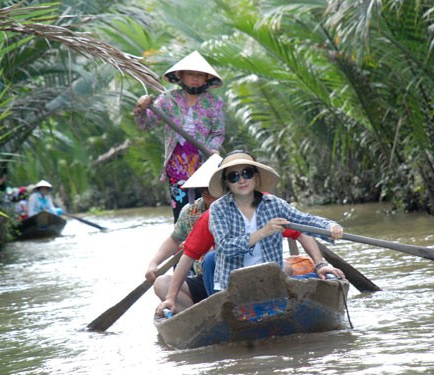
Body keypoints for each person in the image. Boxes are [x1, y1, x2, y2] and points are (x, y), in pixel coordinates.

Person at [208, 151, 344, 292]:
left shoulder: (273, 203)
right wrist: (263, 232)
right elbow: (226, 247)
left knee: (327, 282)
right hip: (234, 288)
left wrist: (330, 226)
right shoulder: (219, 208)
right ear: (226, 182)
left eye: (247, 173)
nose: (242, 180)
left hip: (271, 282)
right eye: (233, 176)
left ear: (255, 176)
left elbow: (305, 220)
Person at [133, 51, 225, 222]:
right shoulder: (168, 99)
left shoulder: (214, 102)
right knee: (182, 211)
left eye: (199, 75)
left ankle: (209, 243)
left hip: (203, 161)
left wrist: (213, 150)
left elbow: (218, 132)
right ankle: (184, 244)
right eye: (190, 74)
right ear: (180, 76)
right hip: (177, 163)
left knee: (208, 208)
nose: (195, 78)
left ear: (207, 78)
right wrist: (141, 109)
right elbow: (146, 124)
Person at [144, 154, 223, 284]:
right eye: (203, 187)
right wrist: (154, 263)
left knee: (211, 258)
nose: (206, 191)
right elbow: (175, 239)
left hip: (231, 273)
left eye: (211, 187)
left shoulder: (238, 207)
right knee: (162, 283)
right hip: (203, 278)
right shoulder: (191, 211)